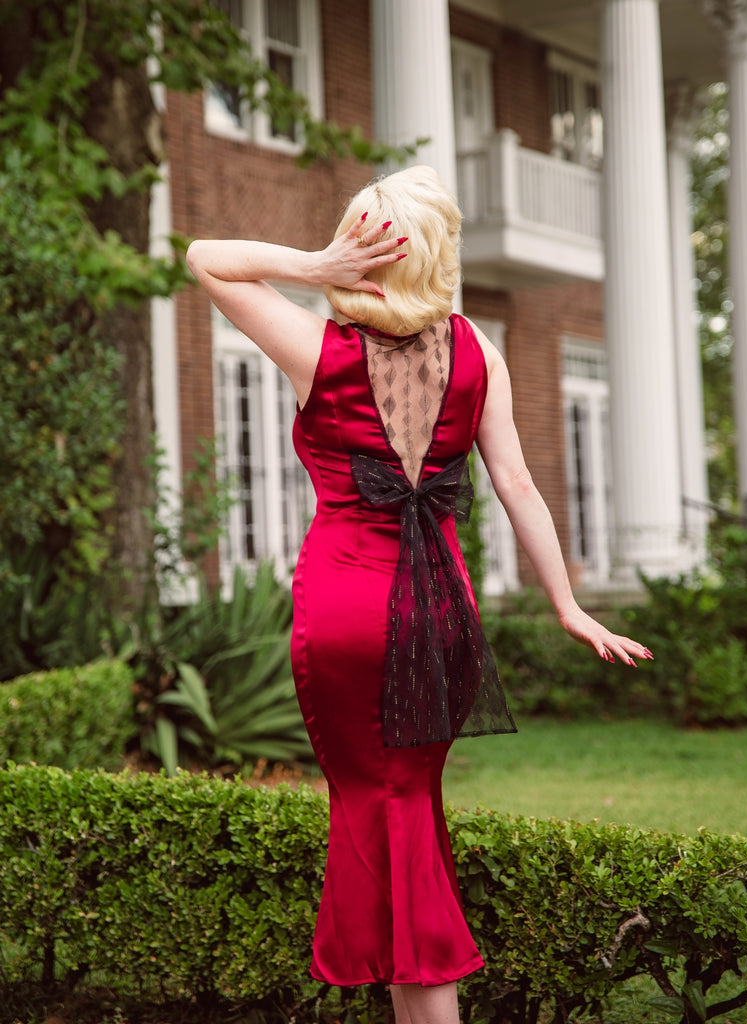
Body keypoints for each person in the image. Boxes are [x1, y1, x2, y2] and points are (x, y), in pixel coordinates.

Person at [186, 165, 652, 1024]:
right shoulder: (479, 353)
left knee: (378, 800)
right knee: (411, 800)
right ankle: (416, 999)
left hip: (345, 608)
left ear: (363, 255)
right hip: (442, 613)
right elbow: (515, 482)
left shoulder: (315, 350)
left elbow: (204, 257)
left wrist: (312, 265)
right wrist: (565, 605)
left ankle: (421, 997)